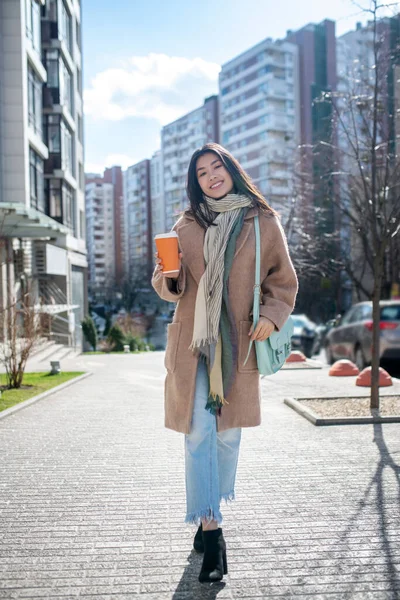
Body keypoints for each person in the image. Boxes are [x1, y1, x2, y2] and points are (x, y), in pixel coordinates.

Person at [152, 143, 298, 583]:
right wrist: (170, 274)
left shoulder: (262, 222)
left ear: (232, 170)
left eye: (217, 167)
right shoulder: (187, 224)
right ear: (195, 183)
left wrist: (272, 317)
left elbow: (283, 281)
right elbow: (164, 283)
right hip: (193, 344)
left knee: (227, 435)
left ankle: (205, 517)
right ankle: (213, 532)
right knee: (199, 431)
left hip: (238, 342)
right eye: (202, 172)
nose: (211, 176)